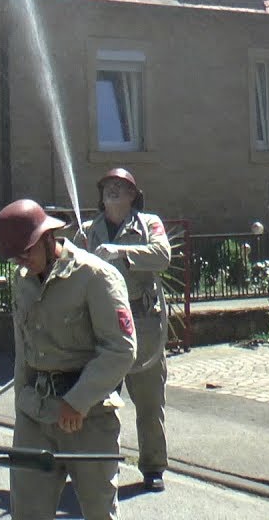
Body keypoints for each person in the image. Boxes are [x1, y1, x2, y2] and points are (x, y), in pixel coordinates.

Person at [0, 199, 136, 520]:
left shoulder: (96, 276)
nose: (22, 260)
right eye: (16, 255)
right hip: (36, 412)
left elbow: (121, 349)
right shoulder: (23, 280)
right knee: (27, 513)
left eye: (27, 251)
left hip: (88, 418)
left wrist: (77, 401)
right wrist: (22, 403)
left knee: (98, 512)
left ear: (48, 238)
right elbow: (24, 352)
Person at [81, 168, 172, 492]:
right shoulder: (89, 230)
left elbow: (162, 256)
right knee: (100, 401)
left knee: (149, 400)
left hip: (142, 321)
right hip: (102, 323)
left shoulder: (149, 224)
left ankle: (153, 467)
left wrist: (121, 251)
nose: (113, 190)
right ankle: (101, 466)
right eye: (107, 186)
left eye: (121, 187)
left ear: (134, 195)